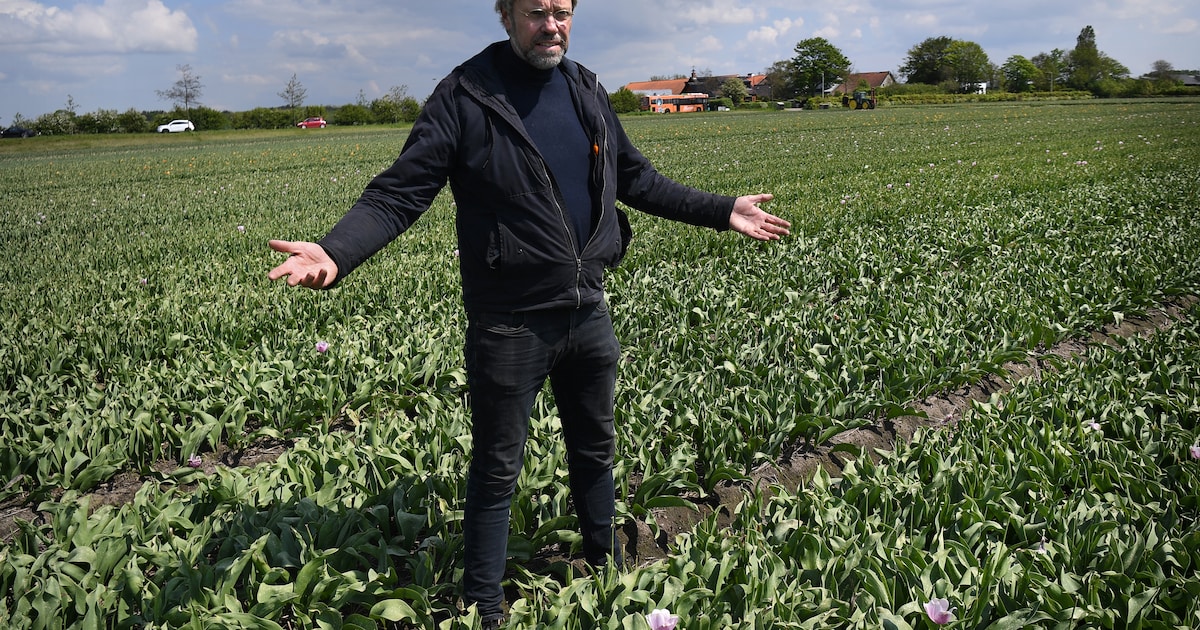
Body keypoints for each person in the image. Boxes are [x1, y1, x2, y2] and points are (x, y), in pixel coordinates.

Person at [267, 0, 790, 625]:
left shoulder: (585, 89)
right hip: (510, 320)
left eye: (562, 11)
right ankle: (483, 605)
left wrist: (721, 209)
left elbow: (638, 180)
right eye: (537, 12)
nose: (552, 25)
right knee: (497, 467)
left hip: (586, 307)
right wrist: (334, 250)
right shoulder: (465, 95)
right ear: (506, 15)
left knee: (595, 447)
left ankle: (607, 569)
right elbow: (398, 193)